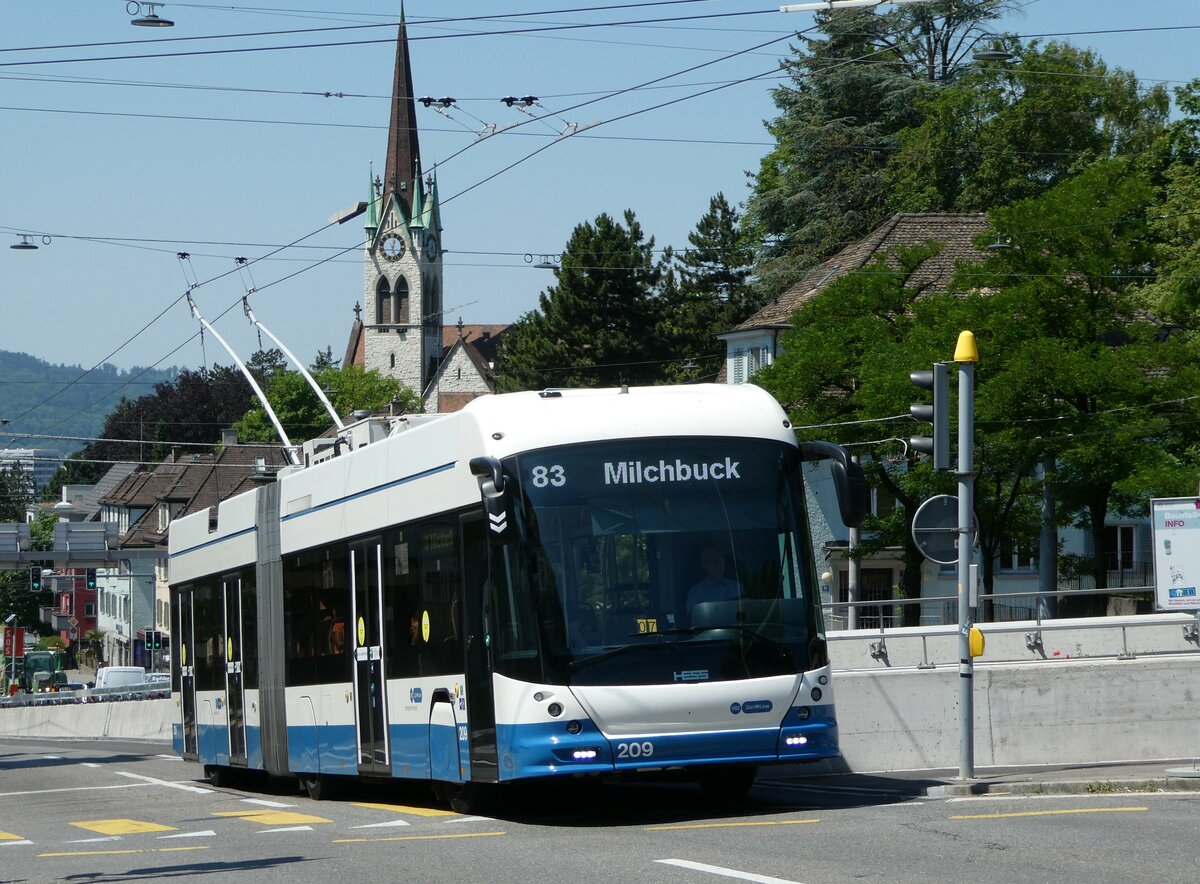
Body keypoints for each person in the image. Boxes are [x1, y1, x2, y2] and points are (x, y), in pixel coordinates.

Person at [686, 544, 741, 612]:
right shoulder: (695, 593)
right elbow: (693, 619)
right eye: (713, 561)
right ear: (704, 565)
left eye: (720, 559)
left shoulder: (737, 588)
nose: (718, 564)